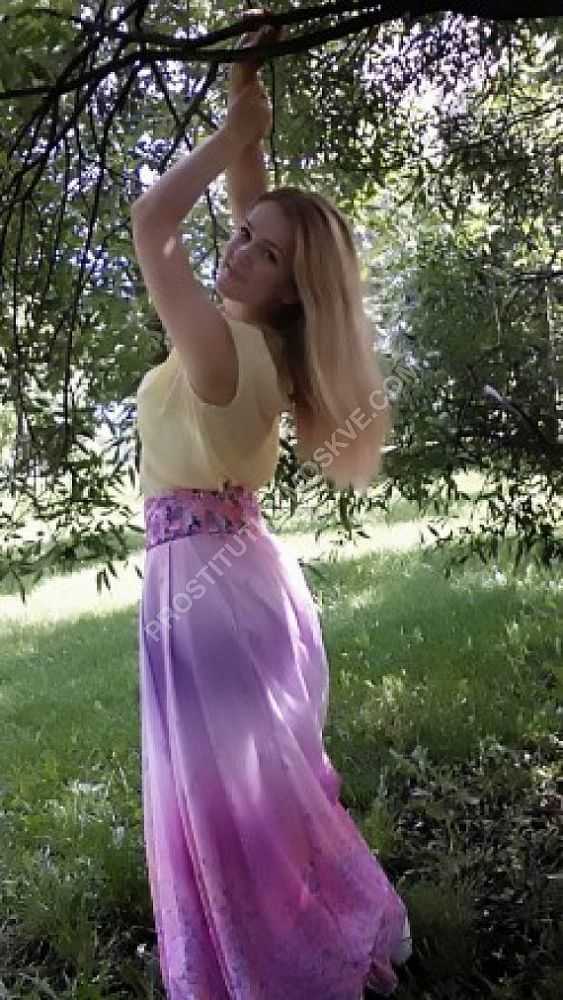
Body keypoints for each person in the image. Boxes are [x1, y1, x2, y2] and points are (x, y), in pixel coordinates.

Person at [132, 15, 411, 999]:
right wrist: (244, 99)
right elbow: (258, 216)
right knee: (266, 789)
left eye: (261, 253)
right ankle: (324, 945)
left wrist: (228, 135)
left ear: (290, 291)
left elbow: (150, 225)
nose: (237, 249)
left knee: (229, 804)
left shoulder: (220, 347)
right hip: (238, 576)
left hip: (202, 592)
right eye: (242, 236)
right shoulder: (270, 342)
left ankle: (283, 968)